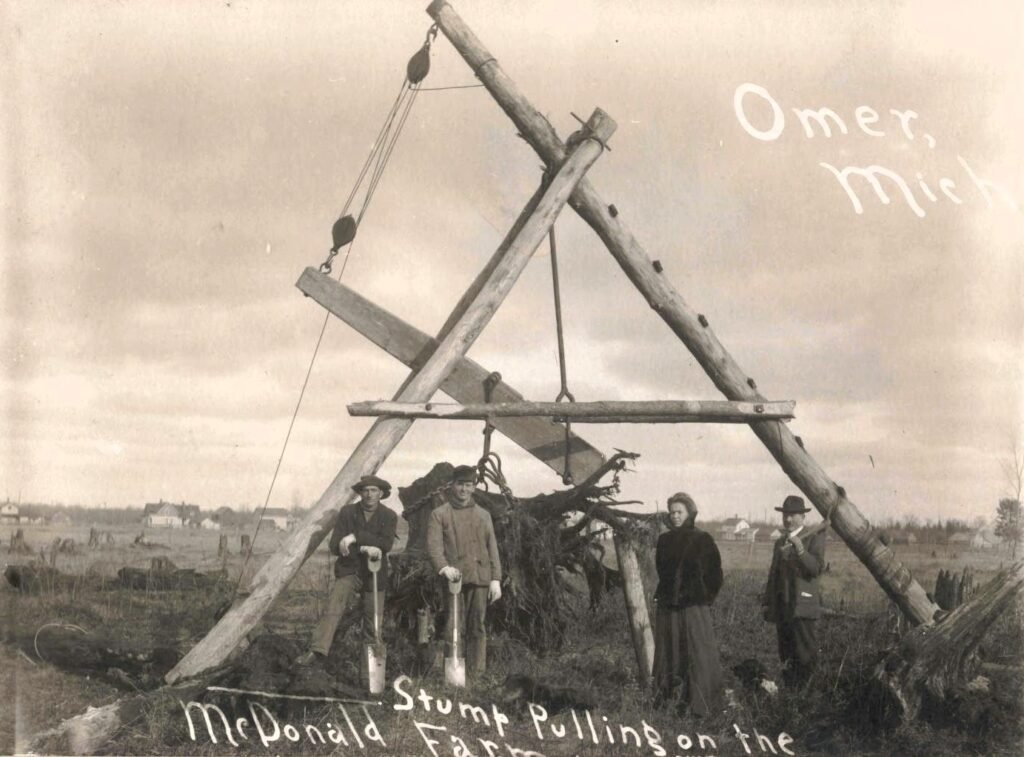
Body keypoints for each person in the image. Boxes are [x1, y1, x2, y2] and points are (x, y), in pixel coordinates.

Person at [297, 474, 398, 666]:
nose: (369, 495)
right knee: (334, 607)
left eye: (374, 491)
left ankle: (368, 667)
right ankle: (317, 651)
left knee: (373, 619)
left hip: (375, 573)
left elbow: (385, 544)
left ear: (381, 493)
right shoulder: (347, 512)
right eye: (365, 490)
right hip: (349, 569)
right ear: (360, 493)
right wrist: (363, 548)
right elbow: (336, 546)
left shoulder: (389, 516)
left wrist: (354, 537)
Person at [651, 492, 725, 716]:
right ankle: (670, 703)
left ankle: (700, 706)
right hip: (668, 608)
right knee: (670, 653)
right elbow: (662, 572)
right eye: (672, 512)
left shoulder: (702, 539)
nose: (675, 516)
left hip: (693, 609)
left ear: (689, 513)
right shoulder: (663, 541)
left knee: (697, 654)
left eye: (679, 512)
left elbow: (715, 575)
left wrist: (702, 597)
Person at [426, 464, 502, 676]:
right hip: (454, 580)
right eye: (460, 484)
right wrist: (443, 568)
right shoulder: (439, 514)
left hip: (480, 578)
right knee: (454, 627)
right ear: (452, 486)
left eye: (469, 485)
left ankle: (477, 674)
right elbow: (434, 547)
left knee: (478, 626)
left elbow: (492, 547)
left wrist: (496, 579)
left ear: (474, 488)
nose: (464, 490)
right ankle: (454, 676)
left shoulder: (483, 515)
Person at [762, 494, 825, 687]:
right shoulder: (779, 542)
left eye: (793, 515)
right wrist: (768, 603)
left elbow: (815, 569)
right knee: (786, 656)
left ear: (802, 517)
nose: (788, 519)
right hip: (783, 608)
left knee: (805, 656)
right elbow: (773, 575)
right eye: (785, 515)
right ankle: (790, 700)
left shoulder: (814, 538)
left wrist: (800, 550)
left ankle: (808, 698)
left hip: (802, 608)